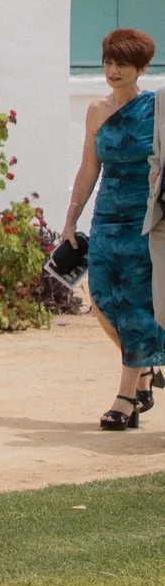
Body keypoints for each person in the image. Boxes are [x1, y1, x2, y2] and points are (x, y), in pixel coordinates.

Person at [62, 27, 165, 431]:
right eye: (108, 61)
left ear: (141, 67)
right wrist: (72, 218)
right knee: (103, 297)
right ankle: (143, 375)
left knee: (136, 305)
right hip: (107, 216)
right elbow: (90, 167)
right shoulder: (96, 110)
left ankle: (126, 398)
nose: (113, 70)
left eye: (122, 63)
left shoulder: (157, 110)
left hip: (146, 221)